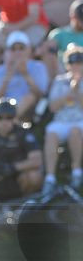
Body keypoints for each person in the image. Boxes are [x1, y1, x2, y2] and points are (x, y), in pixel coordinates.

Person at [42, 45, 83, 193]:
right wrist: (68, 94)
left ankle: (77, 172)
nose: (76, 66)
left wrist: (77, 90)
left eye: (80, 63)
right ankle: (50, 177)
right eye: (73, 63)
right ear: (67, 65)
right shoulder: (59, 81)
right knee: (51, 133)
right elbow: (53, 107)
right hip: (61, 120)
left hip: (80, 121)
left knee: (75, 131)